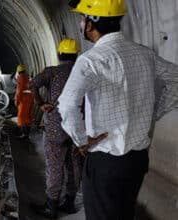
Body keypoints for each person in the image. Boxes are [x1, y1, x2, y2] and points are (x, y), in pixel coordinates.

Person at [58, 0, 178, 219]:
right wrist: (154, 112)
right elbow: (175, 78)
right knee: (124, 214)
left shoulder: (91, 61)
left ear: (91, 24)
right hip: (137, 160)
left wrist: (82, 139)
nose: (81, 23)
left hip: (106, 161)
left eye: (83, 18)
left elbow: (66, 105)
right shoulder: (144, 54)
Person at [30, 38, 82, 219]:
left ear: (60, 54)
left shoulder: (52, 72)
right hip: (76, 128)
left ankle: (51, 206)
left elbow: (32, 84)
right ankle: (69, 202)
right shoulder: (82, 72)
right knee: (73, 165)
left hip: (55, 128)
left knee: (54, 166)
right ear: (77, 55)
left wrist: (41, 103)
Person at [14, 64, 34, 139]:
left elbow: (19, 90)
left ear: (18, 72)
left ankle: (23, 133)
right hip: (31, 98)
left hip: (23, 99)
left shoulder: (20, 78)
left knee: (21, 117)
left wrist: (17, 100)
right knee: (28, 116)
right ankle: (27, 133)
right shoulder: (29, 77)